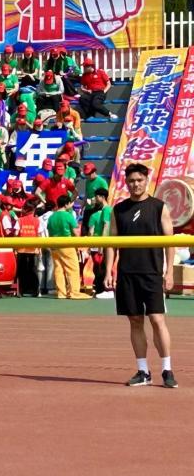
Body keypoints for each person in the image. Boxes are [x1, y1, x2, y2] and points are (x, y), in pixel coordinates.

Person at [104, 163, 177, 388]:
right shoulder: (119, 209)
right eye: (131, 181)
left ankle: (167, 369)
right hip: (127, 274)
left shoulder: (159, 207)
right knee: (135, 321)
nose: (135, 184)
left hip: (152, 273)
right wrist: (109, 270)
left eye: (139, 180)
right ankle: (143, 371)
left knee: (157, 319)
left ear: (147, 181)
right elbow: (111, 243)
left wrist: (169, 271)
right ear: (126, 183)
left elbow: (170, 242)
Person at [47, 195, 90, 300]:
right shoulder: (68, 216)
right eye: (70, 203)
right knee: (72, 269)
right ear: (66, 204)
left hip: (54, 245)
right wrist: (78, 245)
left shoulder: (51, 217)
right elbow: (75, 233)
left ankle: (61, 293)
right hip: (67, 245)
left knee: (58, 269)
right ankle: (74, 292)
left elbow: (49, 231)